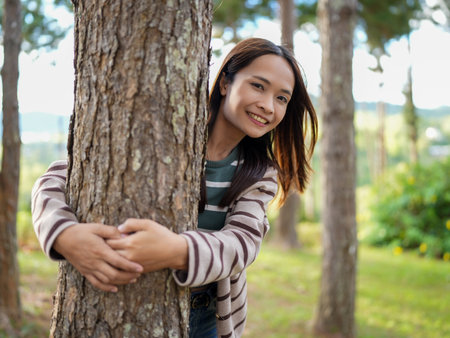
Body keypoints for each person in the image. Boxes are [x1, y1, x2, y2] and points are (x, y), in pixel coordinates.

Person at [31, 37, 318, 338]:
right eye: (258, 86)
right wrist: (63, 234)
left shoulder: (259, 174)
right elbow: (54, 179)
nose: (267, 105)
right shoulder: (171, 134)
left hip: (206, 316)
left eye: (282, 98)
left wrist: (177, 251)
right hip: (124, 301)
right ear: (224, 84)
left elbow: (243, 244)